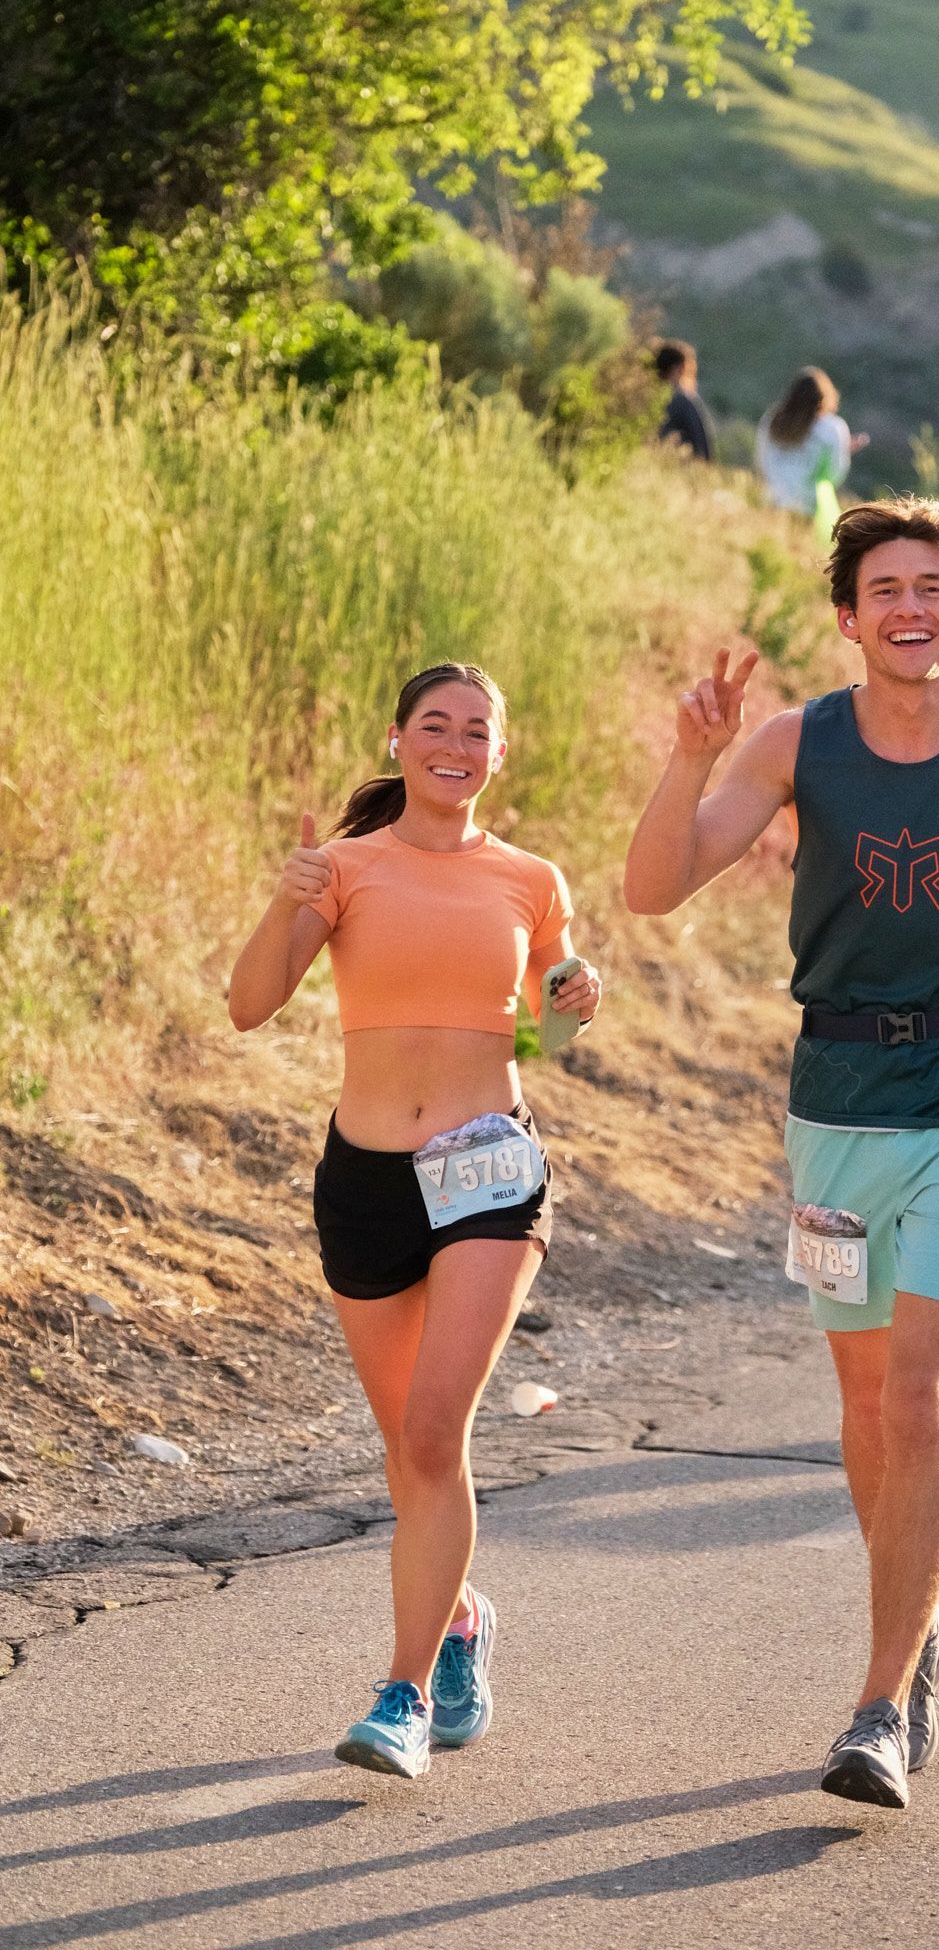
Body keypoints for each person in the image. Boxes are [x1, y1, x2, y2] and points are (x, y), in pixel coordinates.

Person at [624, 496, 939, 1810]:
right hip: (836, 1100)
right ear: (848, 619)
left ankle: (881, 1701)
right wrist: (691, 756)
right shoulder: (797, 743)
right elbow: (652, 886)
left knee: (915, 1395)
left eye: (932, 586)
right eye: (883, 590)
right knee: (857, 1407)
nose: (910, 609)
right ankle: (924, 1622)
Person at [229, 662, 601, 1779]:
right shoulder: (343, 867)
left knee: (437, 1433)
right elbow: (248, 1006)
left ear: (500, 752)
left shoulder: (533, 879)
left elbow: (544, 1037)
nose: (455, 742)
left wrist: (571, 1003)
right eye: (434, 724)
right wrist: (291, 898)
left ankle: (402, 1692)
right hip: (366, 1179)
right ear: (397, 742)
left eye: (476, 728)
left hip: (488, 1168)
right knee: (407, 1452)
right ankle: (461, 1617)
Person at [755, 366, 868, 524]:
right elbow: (835, 473)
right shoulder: (832, 428)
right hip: (807, 510)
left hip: (770, 503)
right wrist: (844, 450)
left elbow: (761, 457)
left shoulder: (773, 418)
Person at [655, 338, 716, 462]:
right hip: (681, 471)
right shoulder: (683, 402)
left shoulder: (643, 399)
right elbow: (702, 446)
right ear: (678, 369)